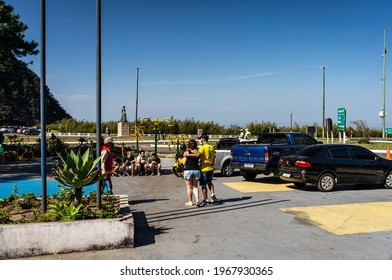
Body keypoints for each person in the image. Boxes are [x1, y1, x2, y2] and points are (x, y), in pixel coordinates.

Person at [183, 139, 203, 207]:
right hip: (196, 170)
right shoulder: (197, 151)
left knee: (189, 187)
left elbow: (184, 162)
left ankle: (190, 201)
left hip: (188, 170)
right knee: (195, 186)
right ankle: (197, 200)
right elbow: (199, 156)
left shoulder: (186, 152)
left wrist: (186, 156)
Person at [198, 134, 217, 204]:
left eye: (201, 139)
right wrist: (211, 162)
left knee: (203, 185)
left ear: (204, 139)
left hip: (204, 168)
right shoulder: (211, 147)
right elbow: (214, 156)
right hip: (211, 168)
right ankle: (212, 194)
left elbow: (198, 155)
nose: (200, 140)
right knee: (210, 182)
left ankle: (205, 199)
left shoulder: (202, 148)